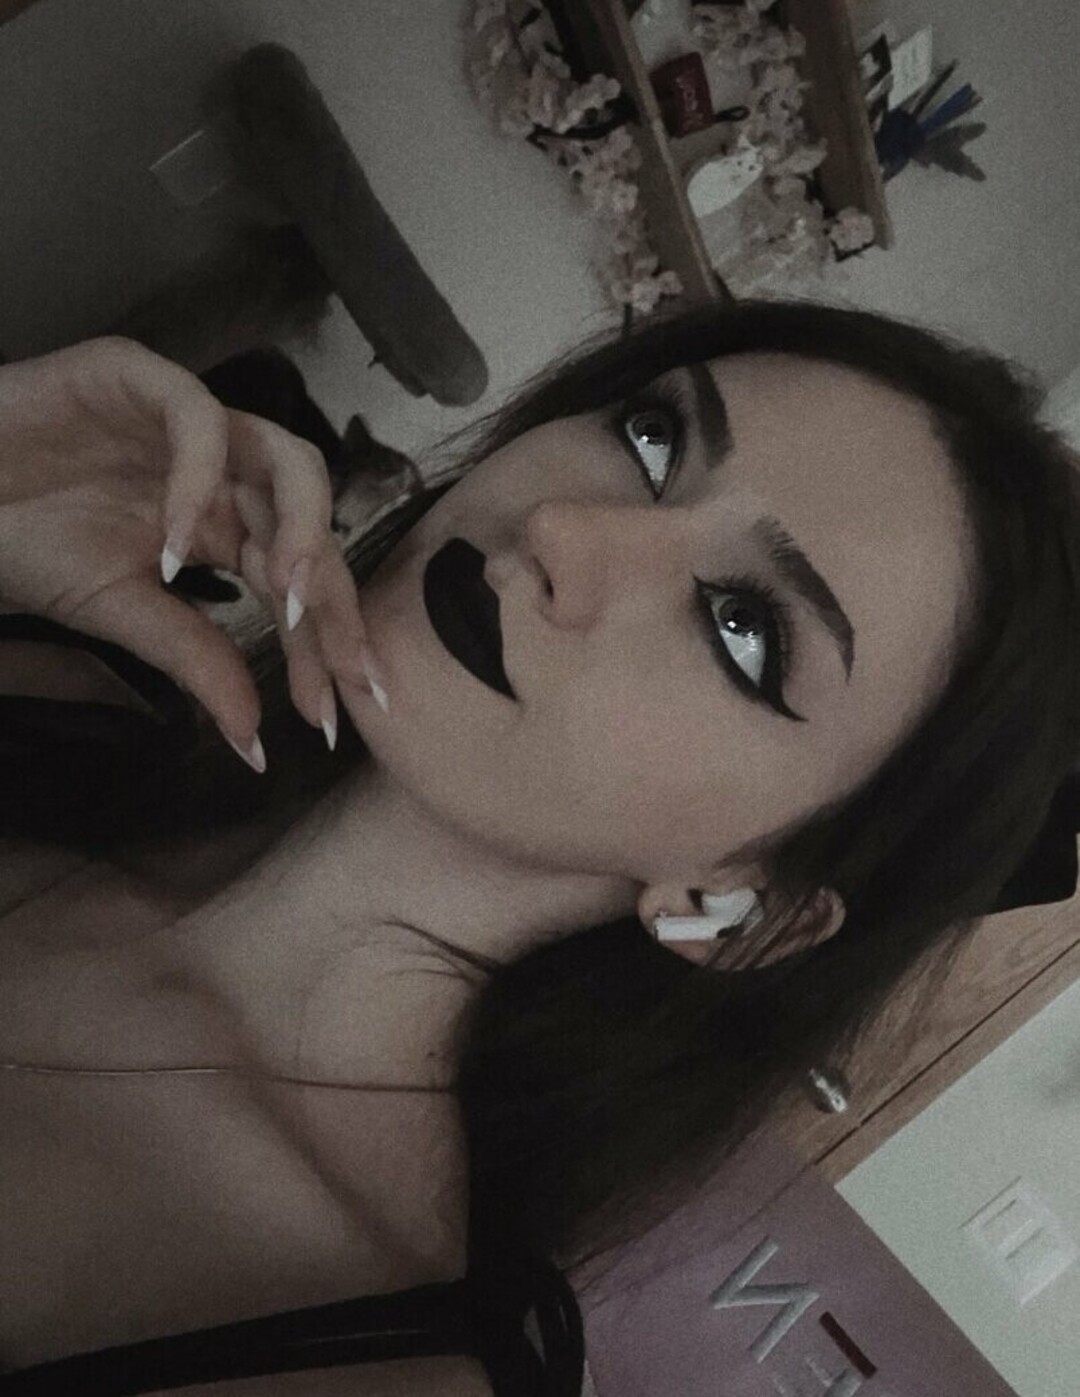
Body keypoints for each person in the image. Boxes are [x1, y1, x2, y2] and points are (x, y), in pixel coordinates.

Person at [0, 301, 1077, 1396]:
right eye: (652, 437)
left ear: (747, 909)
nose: (563, 528)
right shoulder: (58, 689)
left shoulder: (367, 1364)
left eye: (743, 628)